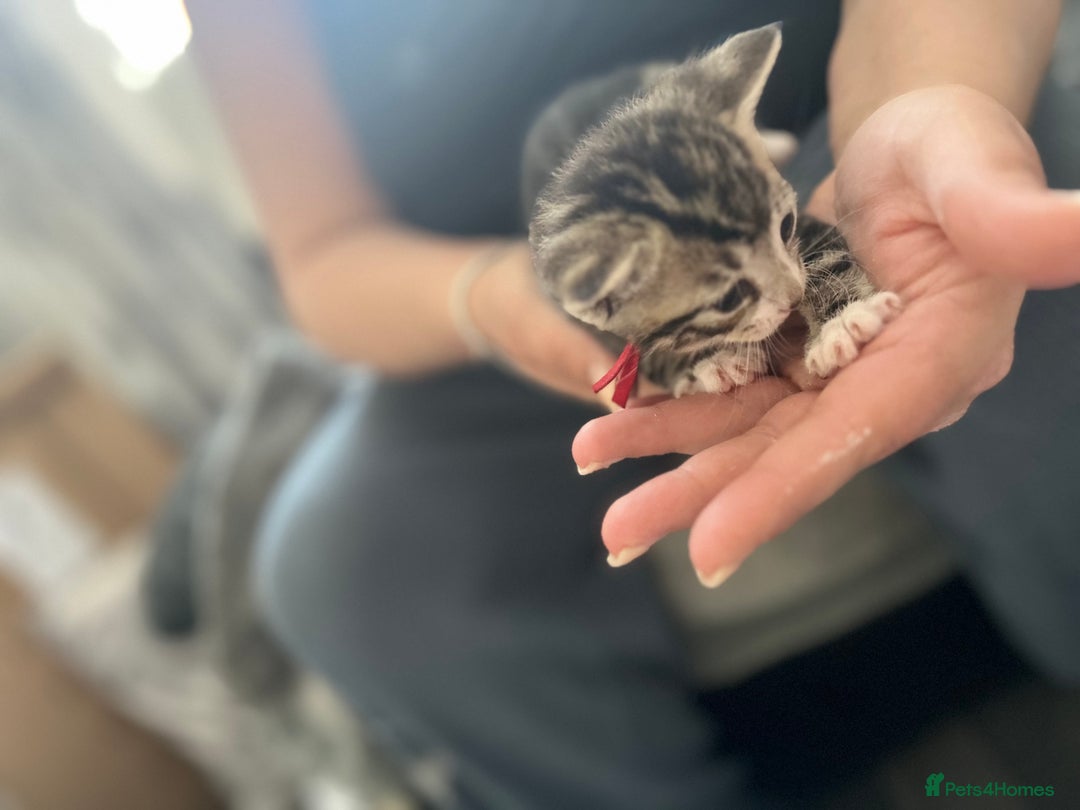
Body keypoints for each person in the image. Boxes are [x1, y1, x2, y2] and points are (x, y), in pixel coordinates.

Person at [184, 0, 1080, 806]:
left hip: (816, 141)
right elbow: (323, 256)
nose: (782, 293)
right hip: (512, 283)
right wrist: (489, 299)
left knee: (1014, 292)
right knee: (334, 573)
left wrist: (917, 101)